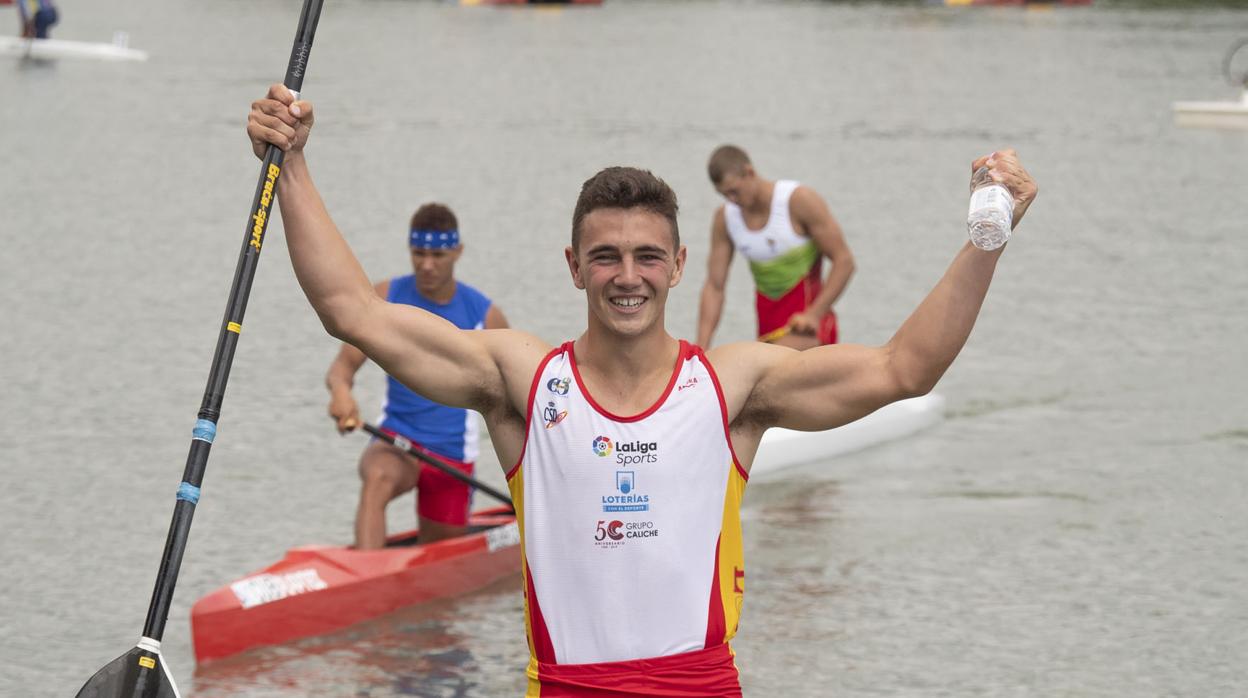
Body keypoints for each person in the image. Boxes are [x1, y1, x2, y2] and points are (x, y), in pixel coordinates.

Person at [246, 83, 1036, 696]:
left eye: (648, 256)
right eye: (607, 256)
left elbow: (906, 369)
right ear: (573, 265)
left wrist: (985, 235)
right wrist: (294, 163)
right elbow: (348, 310)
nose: (628, 276)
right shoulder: (521, 379)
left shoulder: (733, 384)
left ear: (681, 264)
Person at [325, 202, 509, 549]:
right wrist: (341, 393)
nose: (427, 265)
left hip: (453, 454)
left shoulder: (485, 315)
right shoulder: (384, 300)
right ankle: (366, 580)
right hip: (398, 441)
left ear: (457, 252)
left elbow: (515, 399)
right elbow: (342, 370)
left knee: (440, 559)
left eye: (438, 254)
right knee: (377, 479)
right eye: (418, 253)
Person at [697, 144, 855, 350]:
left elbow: (844, 261)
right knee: (758, 371)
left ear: (749, 173)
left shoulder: (799, 200)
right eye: (724, 195)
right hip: (768, 329)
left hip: (809, 327)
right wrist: (701, 347)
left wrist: (814, 314)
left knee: (762, 371)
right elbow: (714, 287)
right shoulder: (725, 218)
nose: (732, 201)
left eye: (734, 191)